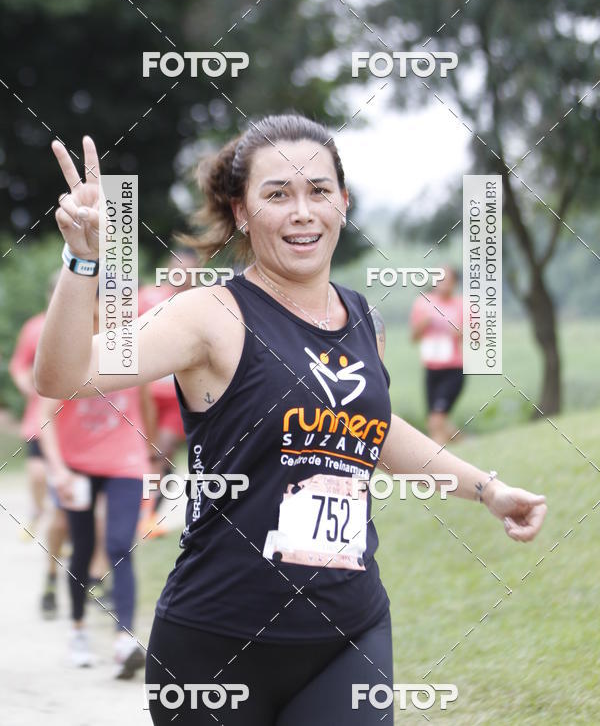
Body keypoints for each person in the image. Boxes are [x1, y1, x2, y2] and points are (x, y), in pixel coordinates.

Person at [34, 118, 547, 724]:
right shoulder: (209, 315)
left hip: (348, 632)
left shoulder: (363, 319)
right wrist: (83, 261)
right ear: (243, 212)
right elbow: (63, 376)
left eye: (319, 191)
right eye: (277, 194)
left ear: (343, 203)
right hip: (217, 643)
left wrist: (486, 489)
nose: (302, 211)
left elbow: (376, 432)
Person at [37, 290, 155, 678]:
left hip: (125, 462)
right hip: (77, 465)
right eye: (98, 307)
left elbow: (147, 404)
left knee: (120, 544)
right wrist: (59, 471)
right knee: (83, 547)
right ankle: (78, 630)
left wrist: (150, 453)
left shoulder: (131, 352)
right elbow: (44, 416)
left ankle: (124, 640)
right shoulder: (68, 355)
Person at [9, 273, 69, 617]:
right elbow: (19, 365)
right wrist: (26, 385)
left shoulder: (88, 326)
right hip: (41, 418)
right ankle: (37, 511)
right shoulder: (35, 327)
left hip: (75, 429)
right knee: (35, 474)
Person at [137, 250, 198, 538]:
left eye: (188, 271)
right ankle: (135, 510)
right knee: (141, 452)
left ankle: (147, 516)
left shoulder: (201, 303)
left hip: (177, 394)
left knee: (161, 452)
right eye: (178, 269)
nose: (182, 276)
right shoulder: (146, 298)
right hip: (143, 391)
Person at [410, 266, 465, 445]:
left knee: (436, 421)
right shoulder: (423, 303)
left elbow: (475, 338)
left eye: (446, 279)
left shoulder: (462, 305)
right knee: (436, 421)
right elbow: (414, 337)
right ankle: (466, 444)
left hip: (454, 369)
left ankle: (436, 462)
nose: (441, 284)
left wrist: (459, 331)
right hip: (431, 368)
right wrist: (424, 323)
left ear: (454, 283)